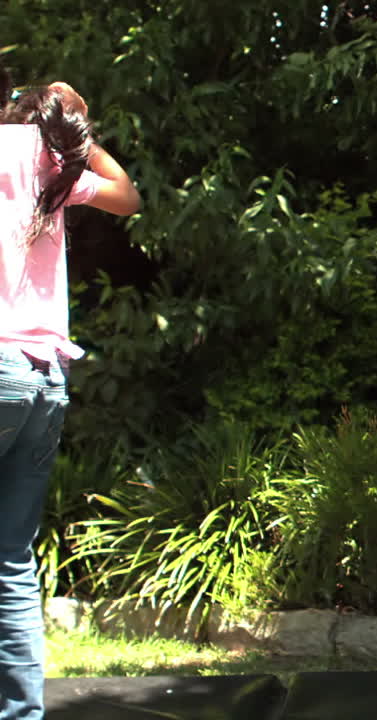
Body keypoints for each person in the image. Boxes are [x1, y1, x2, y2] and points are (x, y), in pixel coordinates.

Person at [0, 70, 141, 720]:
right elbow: (127, 195)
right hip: (44, 378)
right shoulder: (54, 167)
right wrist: (80, 131)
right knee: (11, 561)